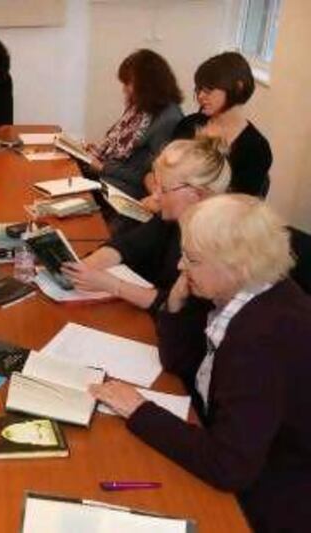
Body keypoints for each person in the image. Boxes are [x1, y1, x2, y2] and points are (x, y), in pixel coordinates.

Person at [91, 194, 311, 533]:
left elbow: (229, 466)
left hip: (271, 497)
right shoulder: (235, 292)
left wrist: (139, 410)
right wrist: (176, 303)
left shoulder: (263, 337)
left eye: (191, 259)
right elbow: (179, 363)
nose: (180, 266)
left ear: (236, 264)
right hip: (235, 447)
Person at [62, 136, 229, 312]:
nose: (155, 196)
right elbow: (128, 245)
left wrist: (112, 285)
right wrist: (85, 267)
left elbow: (179, 309)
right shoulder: (173, 218)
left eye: (164, 189)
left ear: (196, 195)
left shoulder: (214, 245)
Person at [143, 51, 271, 206]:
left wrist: (171, 200)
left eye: (208, 91)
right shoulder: (189, 124)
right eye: (198, 90)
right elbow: (153, 173)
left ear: (238, 88)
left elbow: (240, 207)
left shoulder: (256, 148)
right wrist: (158, 192)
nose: (201, 96)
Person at [84, 49, 183, 199]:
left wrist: (104, 167)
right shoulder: (139, 108)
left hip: (124, 188)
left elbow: (151, 177)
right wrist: (97, 152)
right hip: (108, 176)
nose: (124, 89)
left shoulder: (169, 119)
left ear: (148, 84)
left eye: (128, 83)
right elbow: (115, 145)